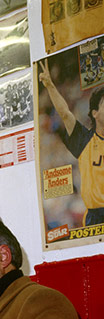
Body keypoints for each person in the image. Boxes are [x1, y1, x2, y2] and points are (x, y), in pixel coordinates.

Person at [39, 58, 104, 226]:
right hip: (96, 217)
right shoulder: (84, 140)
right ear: (95, 113)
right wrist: (50, 86)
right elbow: (65, 114)